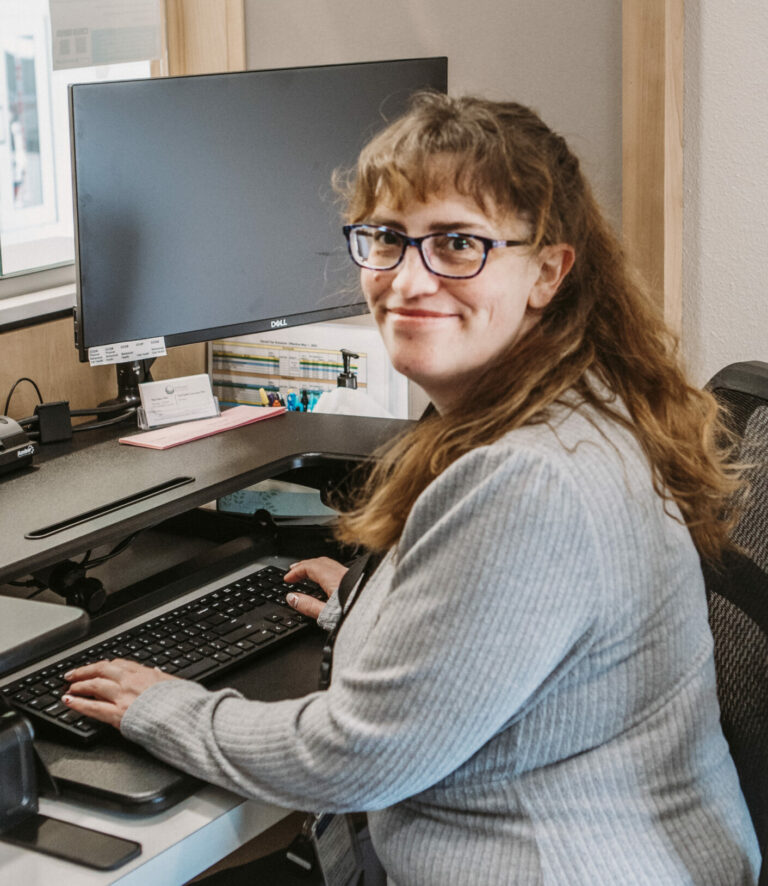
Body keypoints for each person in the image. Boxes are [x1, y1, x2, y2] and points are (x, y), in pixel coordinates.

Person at [62, 94, 759, 884]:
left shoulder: (532, 481)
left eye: (458, 243)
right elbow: (518, 628)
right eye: (387, 239)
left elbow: (351, 759)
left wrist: (164, 706)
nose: (408, 279)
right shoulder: (582, 402)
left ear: (547, 271)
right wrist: (386, 604)